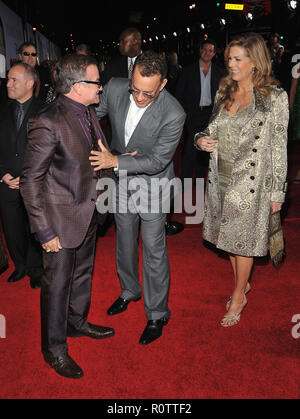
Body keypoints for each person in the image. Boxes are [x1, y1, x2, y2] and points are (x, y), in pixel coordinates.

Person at [20, 54, 115, 379]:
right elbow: (31, 181)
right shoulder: (48, 120)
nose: (101, 86)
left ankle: (76, 323)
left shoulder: (86, 110)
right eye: (96, 82)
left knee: (83, 275)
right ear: (78, 86)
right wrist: (44, 232)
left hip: (89, 213)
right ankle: (54, 349)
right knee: (57, 285)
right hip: (59, 220)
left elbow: (95, 157)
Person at [195, 33, 289, 327]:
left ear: (255, 63)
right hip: (221, 177)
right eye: (230, 59)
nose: (231, 65)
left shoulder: (274, 98)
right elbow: (210, 128)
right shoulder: (226, 90)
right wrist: (201, 141)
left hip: (250, 182)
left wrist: (277, 192)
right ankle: (243, 283)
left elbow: (278, 147)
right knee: (229, 240)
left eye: (237, 59)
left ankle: (238, 296)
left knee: (242, 243)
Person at [92, 51, 186, 345]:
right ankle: (129, 290)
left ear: (163, 84)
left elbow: (158, 160)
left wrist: (115, 162)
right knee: (124, 238)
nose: (139, 97)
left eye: (148, 93)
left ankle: (157, 313)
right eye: (136, 89)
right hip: (120, 183)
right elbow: (89, 116)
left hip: (153, 185)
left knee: (154, 250)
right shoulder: (117, 87)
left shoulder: (174, 112)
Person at [0, 62, 44, 289]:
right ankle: (20, 266)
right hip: (6, 181)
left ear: (30, 83)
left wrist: (28, 177)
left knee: (33, 226)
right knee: (12, 228)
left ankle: (37, 270)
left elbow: (47, 151)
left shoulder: (44, 111)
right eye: (8, 79)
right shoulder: (2, 109)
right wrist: (3, 174)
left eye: (14, 80)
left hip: (33, 183)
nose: (8, 84)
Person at [176, 38, 225, 180]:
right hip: (192, 114)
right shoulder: (187, 71)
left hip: (211, 114)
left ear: (214, 53)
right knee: (189, 148)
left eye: (210, 50)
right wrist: (184, 115)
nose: (207, 53)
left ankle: (198, 179)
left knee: (205, 149)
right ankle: (184, 180)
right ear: (200, 51)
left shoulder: (220, 73)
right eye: (204, 49)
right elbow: (179, 94)